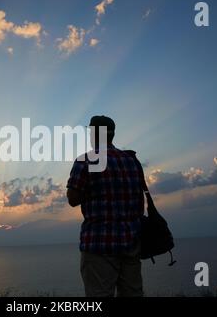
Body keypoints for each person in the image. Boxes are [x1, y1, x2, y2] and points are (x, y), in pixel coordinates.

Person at [67, 115, 145, 297]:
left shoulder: (85, 160)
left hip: (98, 244)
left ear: (94, 134)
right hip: (131, 242)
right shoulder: (132, 161)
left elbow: (72, 199)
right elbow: (140, 201)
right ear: (112, 134)